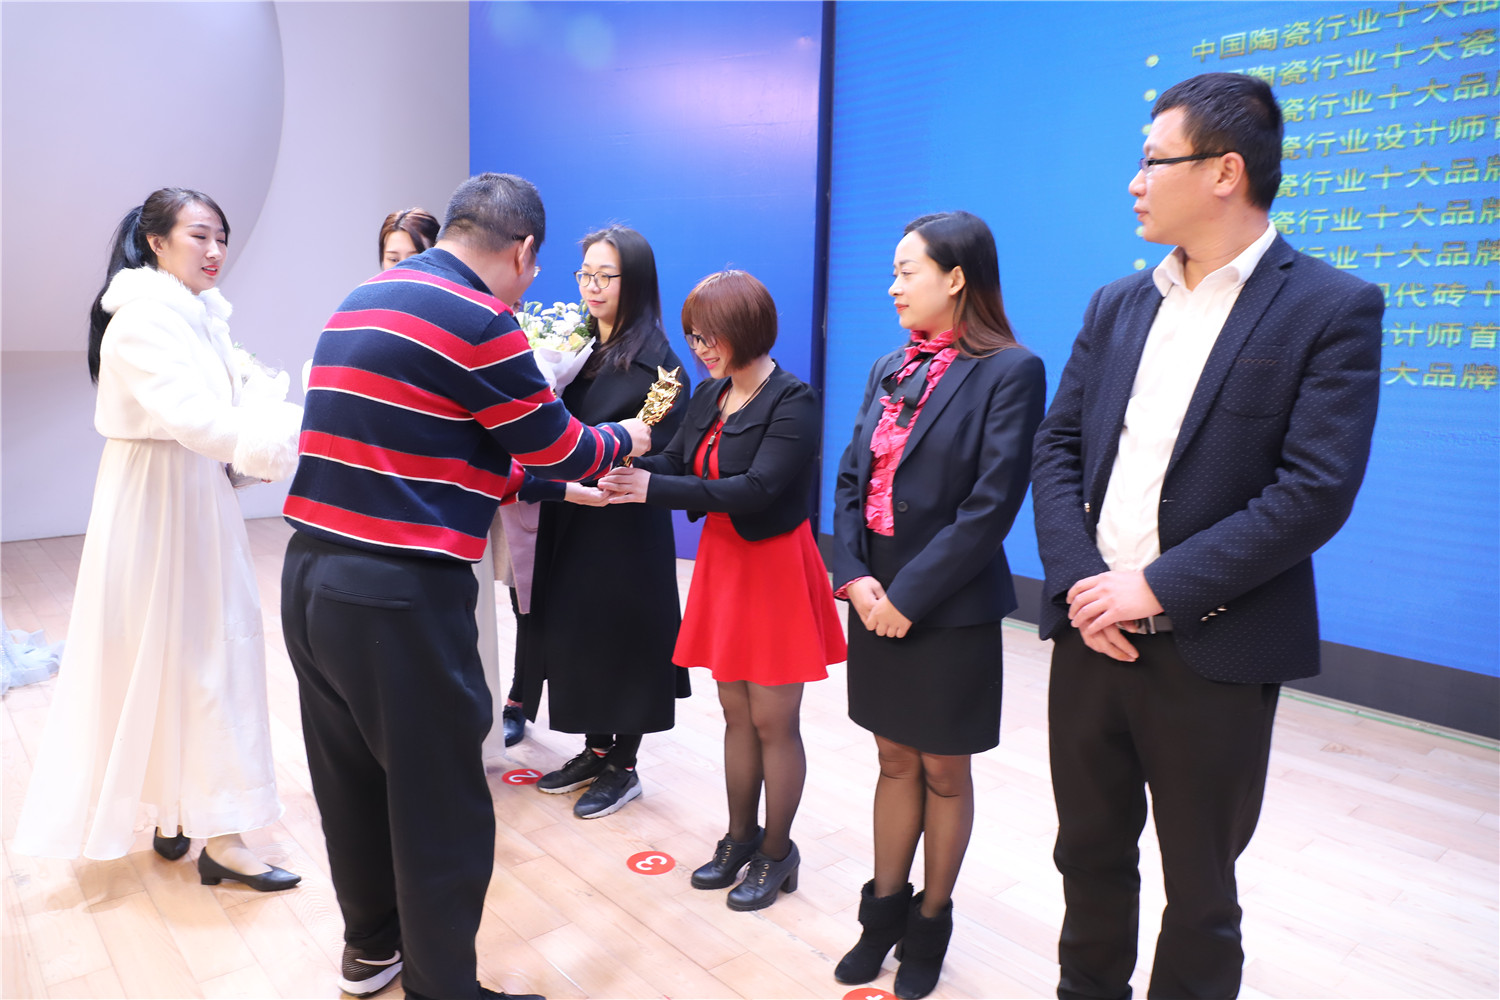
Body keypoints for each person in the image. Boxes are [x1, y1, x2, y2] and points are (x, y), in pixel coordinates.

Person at [1031, 73, 1382, 999]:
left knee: (1199, 890)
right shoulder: (1117, 304)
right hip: (1091, 635)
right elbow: (1057, 447)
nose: (1135, 181)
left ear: (1225, 171)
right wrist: (1081, 584)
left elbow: (1314, 491)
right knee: (1086, 855)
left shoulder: (1330, 307)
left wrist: (1154, 587)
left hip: (1214, 647)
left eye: (1154, 160)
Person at [280, 173, 651, 1000]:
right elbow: (557, 444)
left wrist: (554, 489)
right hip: (398, 595)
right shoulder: (480, 318)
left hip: (309, 578)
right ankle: (444, 988)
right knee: (440, 802)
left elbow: (438, 448)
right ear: (523, 250)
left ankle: (371, 952)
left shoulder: (363, 298)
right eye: (541, 267)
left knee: (351, 784)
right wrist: (628, 436)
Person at [13, 188, 304, 894]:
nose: (215, 250)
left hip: (187, 491)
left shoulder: (197, 314)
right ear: (156, 242)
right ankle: (219, 834)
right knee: (193, 651)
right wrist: (280, 441)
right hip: (158, 497)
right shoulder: (146, 319)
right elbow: (193, 417)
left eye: (221, 237)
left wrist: (259, 423)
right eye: (199, 235)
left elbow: (223, 409)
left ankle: (186, 811)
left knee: (192, 650)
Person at [828, 211, 1046, 1000]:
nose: (893, 286)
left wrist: (908, 599)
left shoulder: (1012, 371)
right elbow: (849, 479)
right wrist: (854, 577)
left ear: (955, 278)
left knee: (944, 771)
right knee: (892, 759)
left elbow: (991, 507)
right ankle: (880, 916)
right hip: (873, 595)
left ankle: (930, 923)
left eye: (906, 271)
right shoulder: (890, 365)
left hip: (947, 604)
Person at [599, 270, 845, 911]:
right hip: (725, 563)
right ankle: (739, 838)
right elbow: (677, 462)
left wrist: (652, 488)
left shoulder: (793, 399)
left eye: (709, 336)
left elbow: (756, 489)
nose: (700, 349)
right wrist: (622, 463)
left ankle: (778, 852)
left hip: (774, 567)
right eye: (693, 337)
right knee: (736, 712)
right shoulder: (711, 393)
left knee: (773, 720)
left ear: (746, 329)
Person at [520, 226, 691, 818]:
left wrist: (617, 468)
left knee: (624, 639)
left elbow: (669, 453)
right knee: (576, 632)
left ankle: (625, 764)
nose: (591, 286)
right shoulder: (573, 346)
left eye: (605, 276)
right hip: (570, 511)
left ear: (634, 282)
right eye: (585, 274)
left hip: (624, 526)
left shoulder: (661, 368)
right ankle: (595, 749)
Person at [375, 207, 525, 755]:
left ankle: (472, 740)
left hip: (454, 519)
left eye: (414, 257)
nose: (403, 269)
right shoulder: (367, 317)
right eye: (392, 258)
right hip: (393, 531)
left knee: (462, 638)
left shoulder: (472, 323)